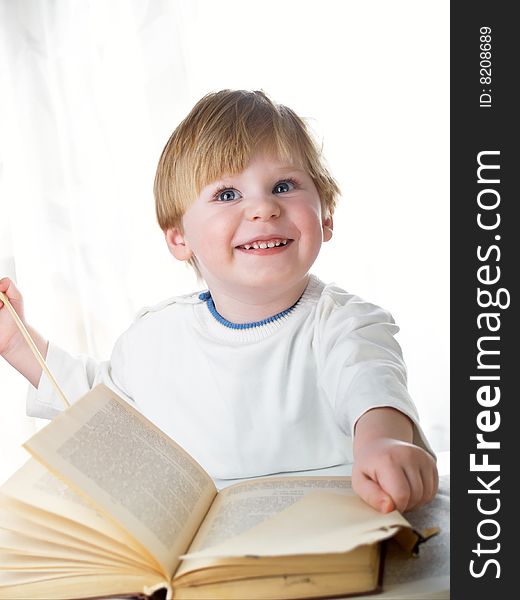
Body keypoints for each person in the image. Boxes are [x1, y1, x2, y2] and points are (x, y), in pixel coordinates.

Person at [0, 89, 438, 514]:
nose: (263, 208)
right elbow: (95, 403)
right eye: (227, 195)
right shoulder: (156, 337)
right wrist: (16, 345)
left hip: (341, 529)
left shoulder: (346, 324)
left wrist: (382, 444)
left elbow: (371, 389)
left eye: (284, 185)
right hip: (208, 556)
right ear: (179, 237)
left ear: (326, 215)